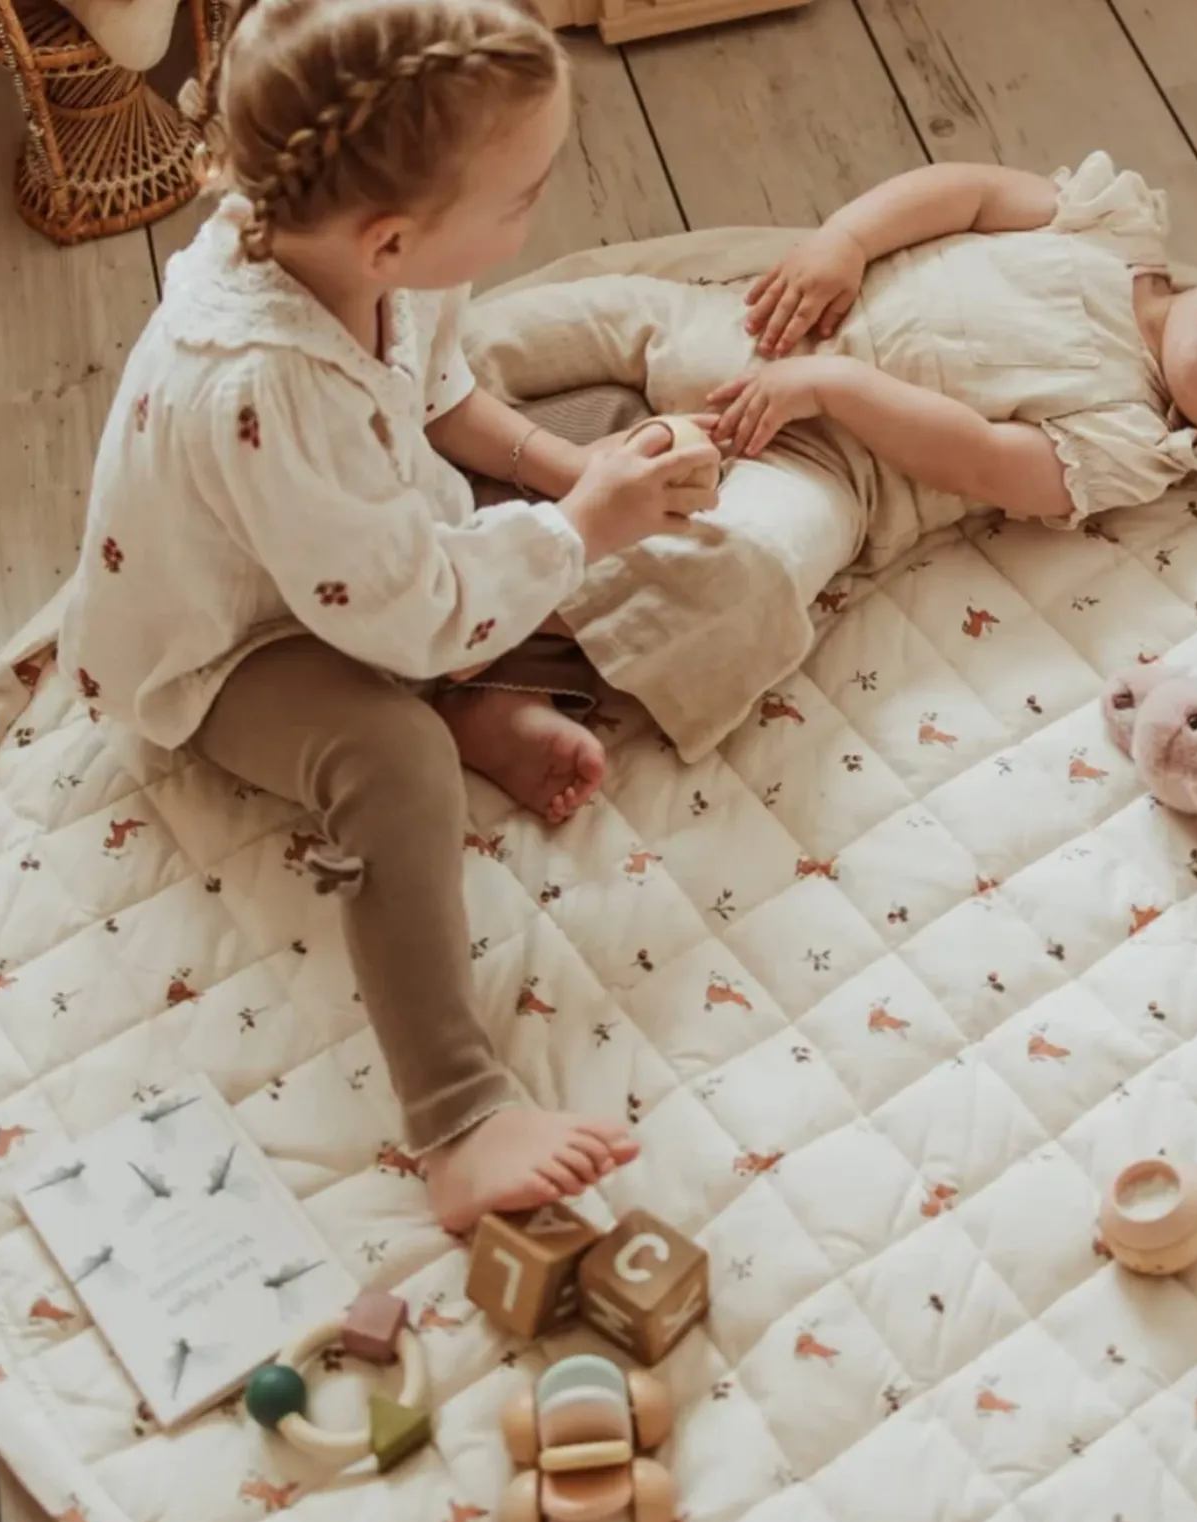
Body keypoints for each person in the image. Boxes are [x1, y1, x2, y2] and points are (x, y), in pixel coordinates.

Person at [59, 0, 720, 1231]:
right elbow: (412, 611)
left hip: (344, 562)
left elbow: (437, 398)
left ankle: (475, 700)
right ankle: (459, 1119)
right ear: (392, 237)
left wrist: (568, 474)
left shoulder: (362, 263)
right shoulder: (263, 388)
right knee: (394, 754)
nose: (539, 215)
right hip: (231, 648)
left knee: (572, 472)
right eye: (523, 197)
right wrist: (585, 526)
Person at [463, 153, 1197, 761]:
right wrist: (845, 242)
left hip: (825, 469)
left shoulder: (1133, 445)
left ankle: (497, 659)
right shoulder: (1108, 227)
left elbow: (981, 458)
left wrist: (832, 389)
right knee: (542, 323)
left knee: (750, 572)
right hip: (746, 324)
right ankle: (407, 400)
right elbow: (968, 192)